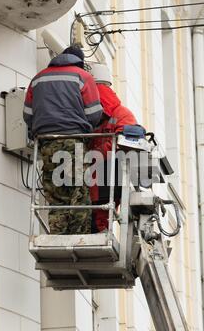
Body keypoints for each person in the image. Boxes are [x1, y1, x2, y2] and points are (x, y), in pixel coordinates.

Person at [23, 46, 103, 235]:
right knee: (78, 190)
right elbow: (94, 113)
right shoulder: (82, 76)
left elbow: (27, 114)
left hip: (47, 143)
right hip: (72, 140)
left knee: (56, 193)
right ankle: (78, 235)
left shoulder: (38, 79)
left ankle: (58, 234)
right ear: (79, 62)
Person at [89, 63, 137, 233]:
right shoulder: (99, 117)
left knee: (101, 208)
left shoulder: (121, 115)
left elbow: (125, 144)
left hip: (109, 174)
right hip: (95, 176)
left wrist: (92, 156)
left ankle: (100, 227)